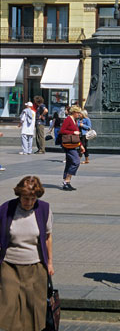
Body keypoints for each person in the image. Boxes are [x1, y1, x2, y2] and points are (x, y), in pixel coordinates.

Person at [0, 175, 54, 331]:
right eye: (25, 198)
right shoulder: (6, 209)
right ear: (19, 194)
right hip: (9, 265)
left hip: (36, 265)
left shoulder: (44, 209)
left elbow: (48, 238)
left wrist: (49, 262)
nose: (29, 202)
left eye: (33, 198)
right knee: (9, 306)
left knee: (34, 307)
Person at [59, 105, 82, 191]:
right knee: (76, 161)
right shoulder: (68, 119)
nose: (79, 114)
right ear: (74, 112)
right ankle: (67, 180)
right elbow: (62, 130)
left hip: (73, 143)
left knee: (69, 162)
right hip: (68, 143)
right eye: (78, 113)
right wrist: (73, 132)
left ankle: (67, 182)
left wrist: (81, 145)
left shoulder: (75, 120)